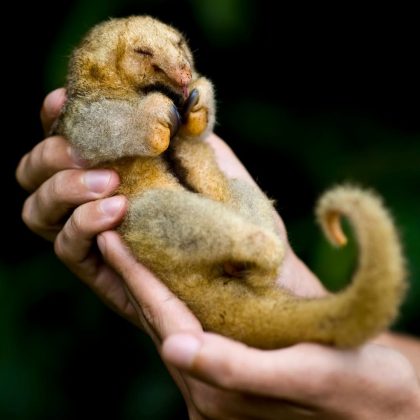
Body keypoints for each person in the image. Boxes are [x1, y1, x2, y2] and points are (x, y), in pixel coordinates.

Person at [16, 88, 420, 419]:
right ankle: (249, 248)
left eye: (180, 55)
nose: (176, 69)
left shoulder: (176, 90)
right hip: (179, 231)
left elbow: (199, 111)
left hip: (221, 234)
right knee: (153, 211)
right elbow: (99, 133)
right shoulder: (102, 97)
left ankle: (252, 248)